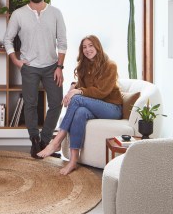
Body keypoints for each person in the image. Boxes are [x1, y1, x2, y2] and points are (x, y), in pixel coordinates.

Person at [37, 35, 123, 175]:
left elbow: (101, 92)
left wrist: (76, 92)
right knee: (80, 112)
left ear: (97, 47)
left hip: (112, 108)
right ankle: (73, 161)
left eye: (91, 45)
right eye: (84, 47)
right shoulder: (84, 67)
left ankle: (56, 141)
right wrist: (72, 88)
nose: (88, 49)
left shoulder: (110, 66)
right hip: (95, 107)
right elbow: (82, 86)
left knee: (77, 99)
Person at [3, 0, 67, 158]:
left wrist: (60, 67)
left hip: (52, 67)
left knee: (56, 103)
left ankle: (45, 141)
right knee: (31, 104)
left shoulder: (55, 13)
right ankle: (34, 141)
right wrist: (16, 61)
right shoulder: (19, 14)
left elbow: (62, 42)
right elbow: (7, 39)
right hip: (29, 66)